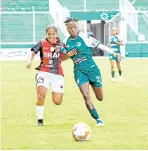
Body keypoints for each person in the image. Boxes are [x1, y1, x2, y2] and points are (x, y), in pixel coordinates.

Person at [57, 18, 122, 126]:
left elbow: (100, 45)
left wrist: (114, 53)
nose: (73, 29)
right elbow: (62, 59)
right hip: (79, 71)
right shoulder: (65, 42)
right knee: (86, 95)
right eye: (70, 28)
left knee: (100, 98)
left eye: (75, 27)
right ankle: (98, 119)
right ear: (67, 29)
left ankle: (96, 88)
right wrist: (68, 55)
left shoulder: (85, 38)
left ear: (78, 27)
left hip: (92, 70)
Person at [26, 25, 71, 126]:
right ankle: (40, 120)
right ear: (46, 34)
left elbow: (64, 58)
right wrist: (29, 61)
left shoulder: (61, 44)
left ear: (56, 34)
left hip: (57, 74)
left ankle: (53, 89)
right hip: (43, 72)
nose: (51, 36)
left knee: (57, 101)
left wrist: (64, 53)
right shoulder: (42, 43)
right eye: (49, 34)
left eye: (53, 34)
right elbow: (32, 52)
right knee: (41, 95)